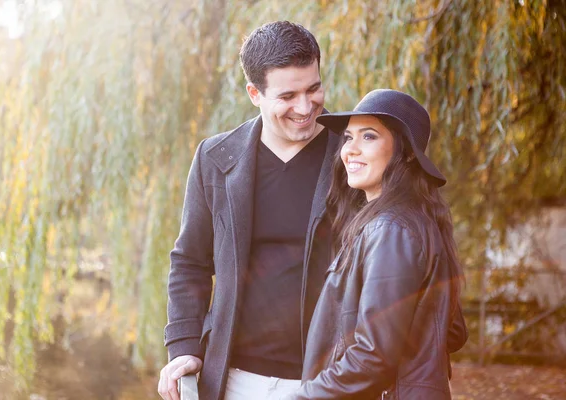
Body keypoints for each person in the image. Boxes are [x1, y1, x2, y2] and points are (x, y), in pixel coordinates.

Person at [157, 21, 340, 400]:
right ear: (254, 93)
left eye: (314, 88)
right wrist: (185, 347)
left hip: (331, 378)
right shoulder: (215, 158)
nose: (305, 108)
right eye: (287, 96)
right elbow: (190, 261)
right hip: (235, 380)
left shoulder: (351, 157)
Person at [284, 89, 468, 399]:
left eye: (368, 137)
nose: (350, 150)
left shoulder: (391, 229)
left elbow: (373, 356)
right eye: (348, 138)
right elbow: (452, 332)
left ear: (406, 152)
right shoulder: (404, 221)